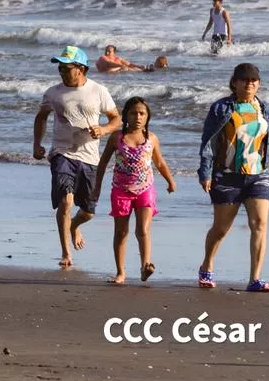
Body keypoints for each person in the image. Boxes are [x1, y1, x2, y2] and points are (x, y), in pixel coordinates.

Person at [197, 62, 269, 292]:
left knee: (260, 225)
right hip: (227, 177)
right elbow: (208, 143)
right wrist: (205, 172)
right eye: (244, 80)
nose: (249, 84)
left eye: (254, 80)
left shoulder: (265, 109)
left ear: (259, 84)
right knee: (221, 228)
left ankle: (255, 278)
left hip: (259, 175)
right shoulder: (221, 108)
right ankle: (207, 265)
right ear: (234, 83)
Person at [32, 46, 120, 269]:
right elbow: (41, 117)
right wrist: (37, 144)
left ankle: (74, 226)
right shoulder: (53, 93)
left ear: (81, 69)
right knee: (65, 200)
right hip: (62, 153)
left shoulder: (98, 91)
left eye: (66, 67)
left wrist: (103, 130)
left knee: (88, 212)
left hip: (89, 158)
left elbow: (116, 119)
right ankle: (66, 253)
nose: (61, 71)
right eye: (59, 67)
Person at [94, 97, 175, 285]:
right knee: (121, 232)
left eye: (142, 113)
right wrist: (96, 188)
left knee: (143, 229)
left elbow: (160, 162)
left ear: (147, 117)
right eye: (133, 113)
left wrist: (170, 181)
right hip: (121, 190)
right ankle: (120, 272)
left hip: (145, 189)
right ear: (125, 116)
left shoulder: (151, 139)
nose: (138, 117)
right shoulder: (117, 138)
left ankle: (145, 264)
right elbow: (103, 163)